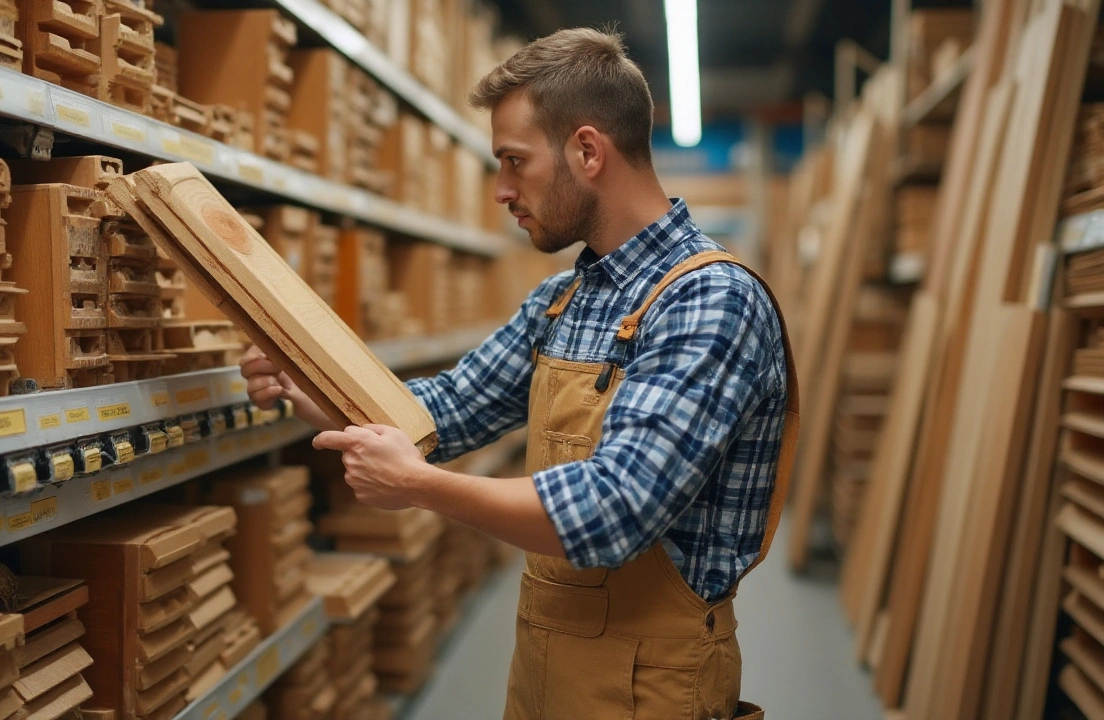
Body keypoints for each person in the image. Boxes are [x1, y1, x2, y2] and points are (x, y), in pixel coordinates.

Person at [240, 27, 797, 720]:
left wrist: (419, 486)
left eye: (513, 161)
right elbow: (446, 407)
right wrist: (310, 395)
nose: (501, 190)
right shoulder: (563, 299)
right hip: (544, 669)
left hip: (653, 683)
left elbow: (614, 509)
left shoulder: (709, 300)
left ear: (587, 151)